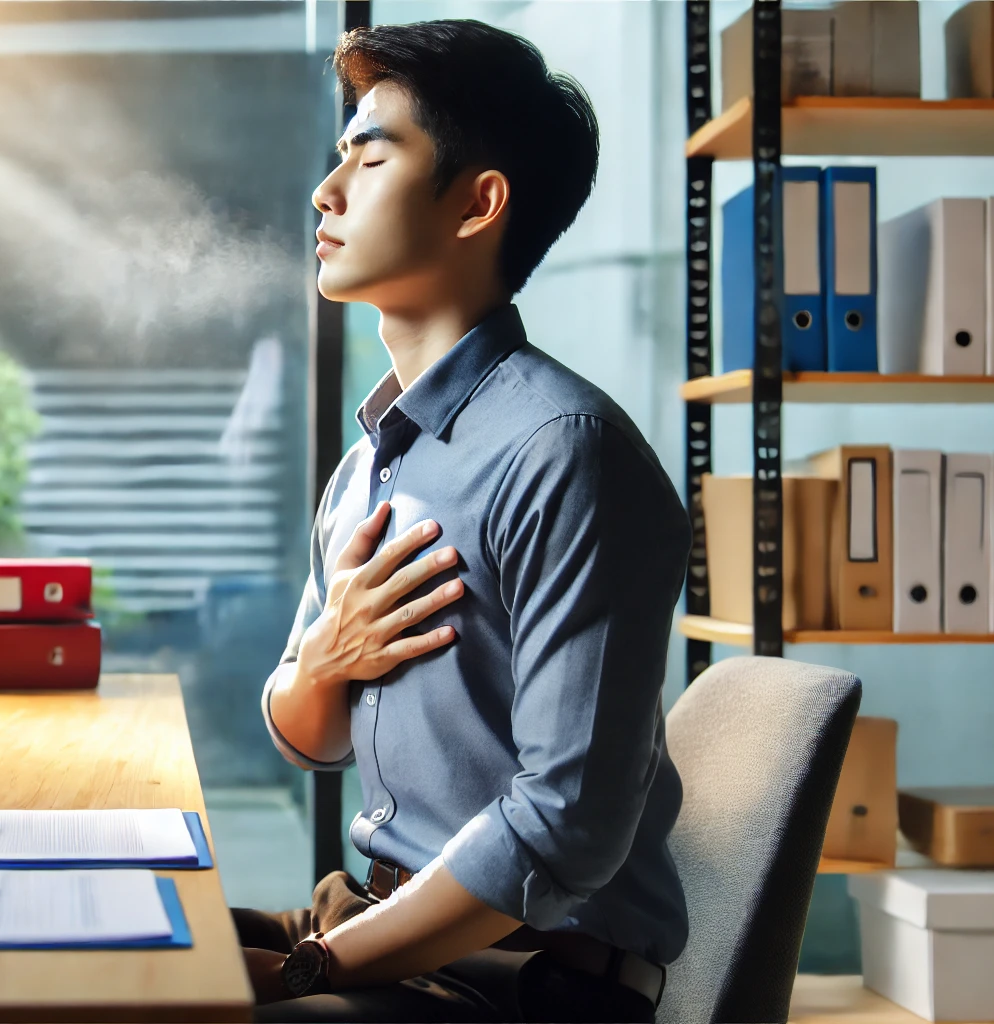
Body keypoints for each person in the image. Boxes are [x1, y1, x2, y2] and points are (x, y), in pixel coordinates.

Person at [237, 19, 691, 1024]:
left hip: (526, 980)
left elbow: (564, 824)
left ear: (478, 202)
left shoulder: (565, 452)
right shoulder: (369, 462)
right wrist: (323, 661)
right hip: (371, 920)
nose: (327, 189)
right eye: (336, 156)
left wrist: (317, 969)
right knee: (94, 945)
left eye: (372, 153)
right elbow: (304, 736)